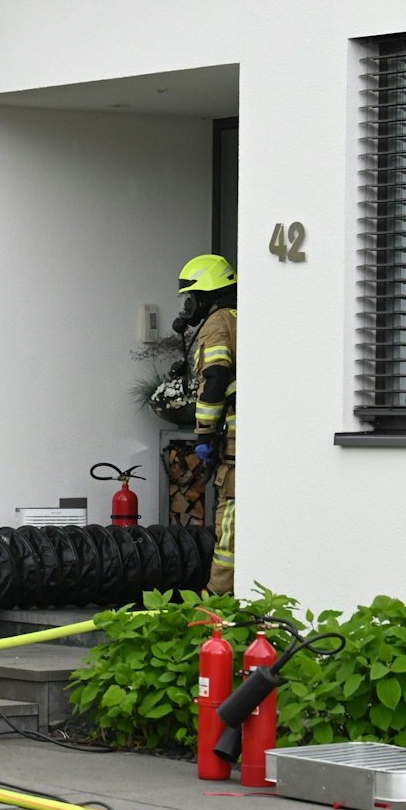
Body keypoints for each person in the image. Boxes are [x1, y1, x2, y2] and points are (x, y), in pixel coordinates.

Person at [179, 253, 239, 594]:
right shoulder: (249, 315)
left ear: (204, 294)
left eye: (191, 296)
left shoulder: (218, 321)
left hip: (235, 441)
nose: (189, 306)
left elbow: (214, 377)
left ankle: (217, 599)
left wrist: (204, 433)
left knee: (229, 521)